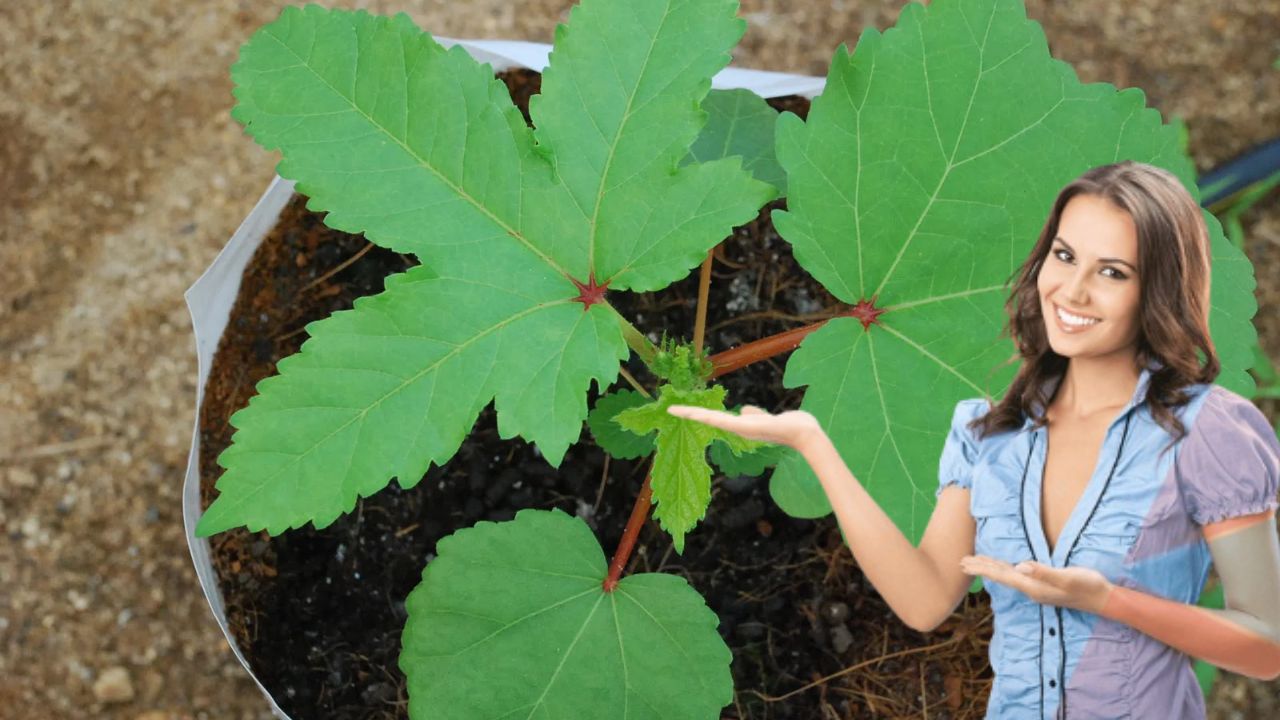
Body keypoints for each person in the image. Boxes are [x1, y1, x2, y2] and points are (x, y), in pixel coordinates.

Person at [667, 161, 1280, 719]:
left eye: (1112, 272)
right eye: (1064, 257)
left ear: (1159, 291)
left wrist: (1109, 601)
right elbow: (926, 598)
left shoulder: (1206, 431)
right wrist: (812, 444)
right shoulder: (991, 434)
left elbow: (1265, 648)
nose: (1072, 291)